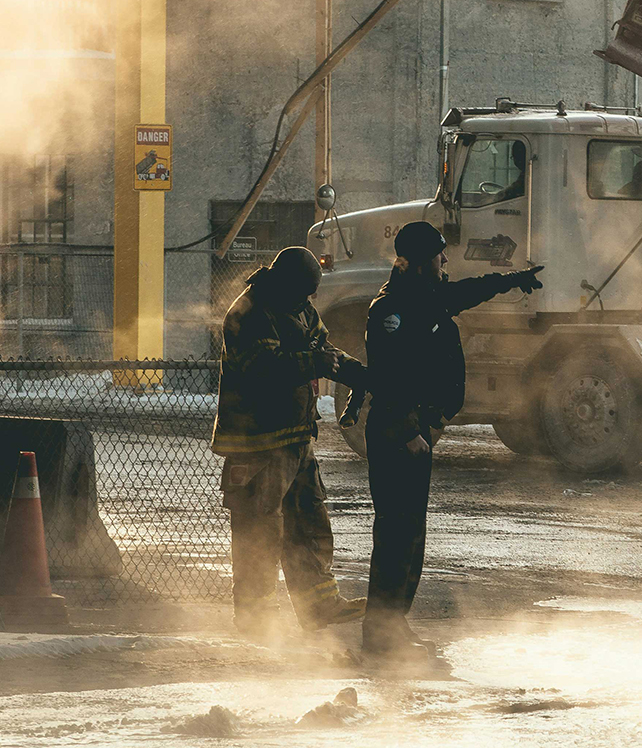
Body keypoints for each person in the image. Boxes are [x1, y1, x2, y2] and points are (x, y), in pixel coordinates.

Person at [349, 220, 543, 661]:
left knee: (412, 536)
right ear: (419, 264)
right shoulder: (390, 310)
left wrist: (512, 280)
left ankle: (394, 626)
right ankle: (380, 636)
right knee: (396, 536)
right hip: (400, 435)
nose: (446, 263)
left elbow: (469, 290)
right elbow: (387, 377)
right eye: (439, 257)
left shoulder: (428, 297)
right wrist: (410, 432)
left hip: (421, 433)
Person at [212, 245, 370, 635]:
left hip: (295, 440)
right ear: (285, 281)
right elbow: (261, 368)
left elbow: (322, 348)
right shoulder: (248, 312)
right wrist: (313, 364)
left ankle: (319, 606)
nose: (308, 301)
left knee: (308, 523)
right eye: (303, 292)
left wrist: (356, 373)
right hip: (257, 445)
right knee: (258, 535)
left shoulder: (297, 306)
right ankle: (255, 623)